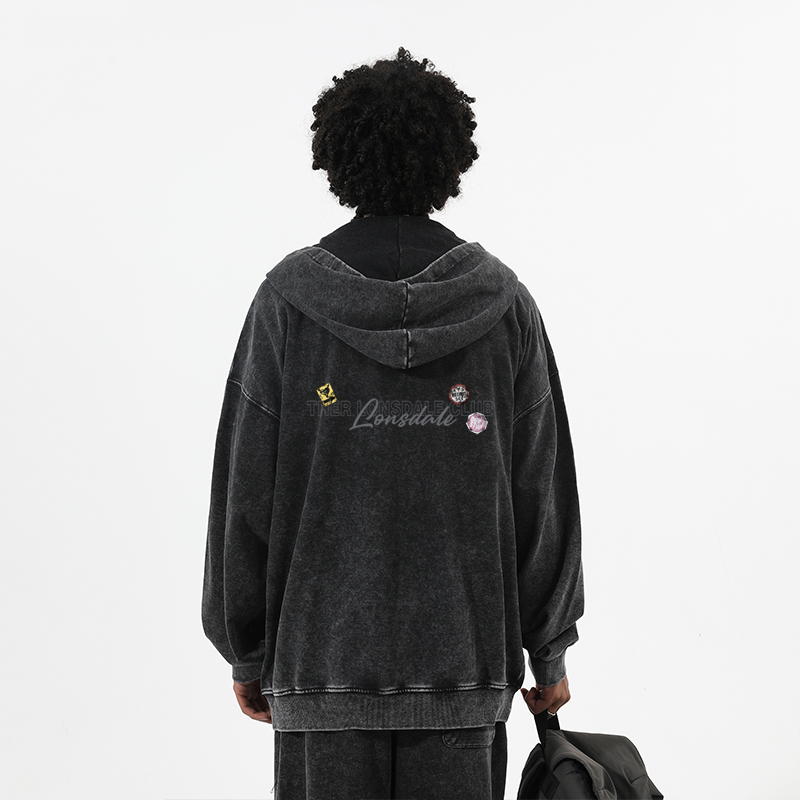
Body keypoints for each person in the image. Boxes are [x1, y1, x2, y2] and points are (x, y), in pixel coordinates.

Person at [202, 46, 585, 800]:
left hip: (320, 677)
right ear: (450, 159)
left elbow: (244, 491)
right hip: (465, 678)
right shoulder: (503, 305)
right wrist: (550, 650)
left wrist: (245, 648)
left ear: (338, 157)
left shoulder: (286, 304)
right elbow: (540, 494)